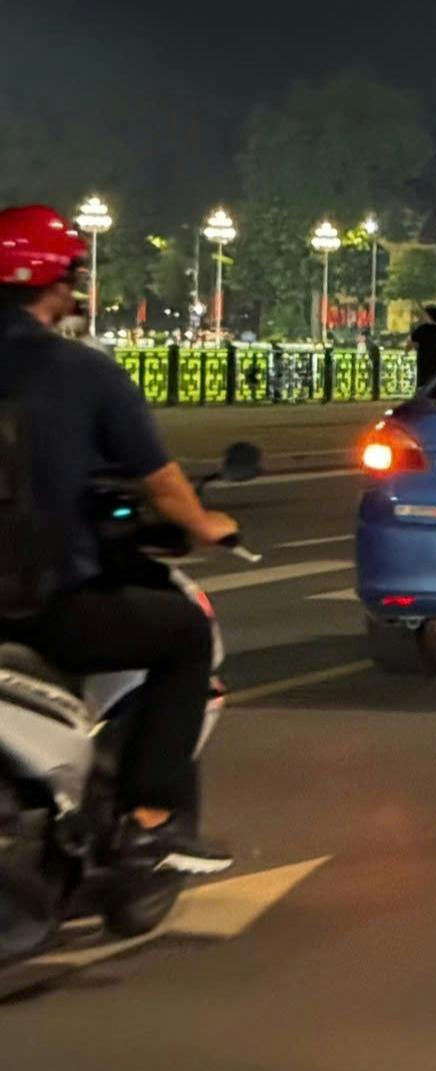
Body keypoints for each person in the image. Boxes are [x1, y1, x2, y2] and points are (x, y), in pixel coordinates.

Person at [0, 204, 237, 875]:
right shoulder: (82, 371)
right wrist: (206, 525)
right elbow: (161, 481)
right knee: (184, 636)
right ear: (56, 283)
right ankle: (150, 820)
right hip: (42, 603)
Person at [408, 305, 436, 386]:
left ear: (428, 316)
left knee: (423, 385)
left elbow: (409, 345)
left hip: (423, 363)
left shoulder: (420, 330)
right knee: (434, 384)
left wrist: (416, 347)